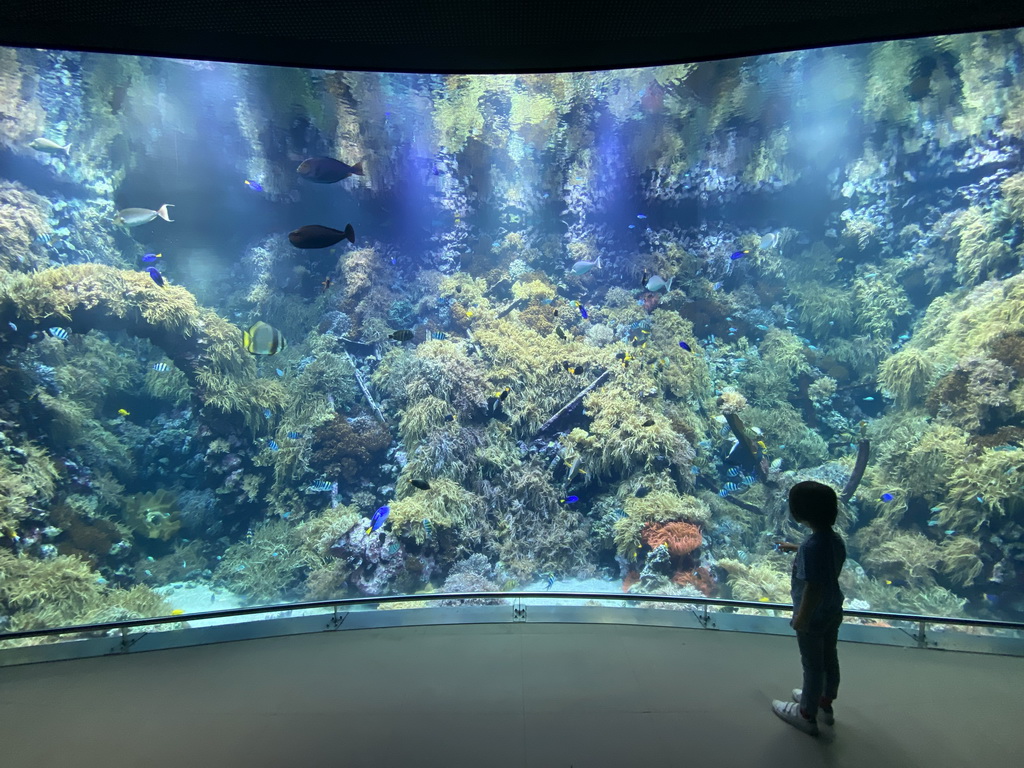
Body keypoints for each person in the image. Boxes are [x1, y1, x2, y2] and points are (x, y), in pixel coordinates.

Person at [772, 480, 847, 736]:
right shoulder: (834, 540)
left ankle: (806, 713)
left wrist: (801, 618)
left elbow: (813, 586)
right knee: (829, 657)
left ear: (797, 513)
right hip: (833, 610)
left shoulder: (811, 548)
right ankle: (825, 701)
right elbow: (825, 563)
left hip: (812, 616)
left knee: (812, 665)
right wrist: (797, 548)